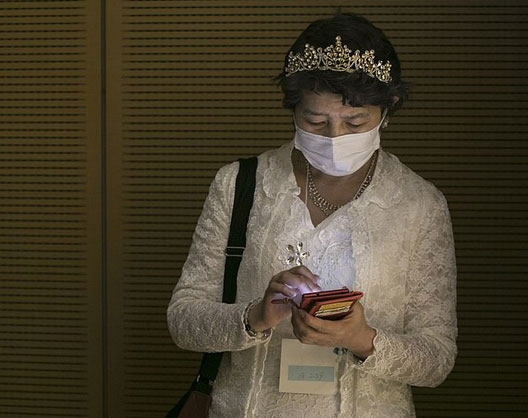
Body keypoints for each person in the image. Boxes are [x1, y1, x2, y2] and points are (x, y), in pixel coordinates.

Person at [168, 12, 457, 418]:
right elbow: (183, 320)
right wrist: (254, 316)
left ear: (387, 109)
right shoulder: (239, 184)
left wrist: (363, 339)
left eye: (355, 121)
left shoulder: (419, 204)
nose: (335, 137)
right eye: (315, 120)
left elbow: (437, 358)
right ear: (293, 110)